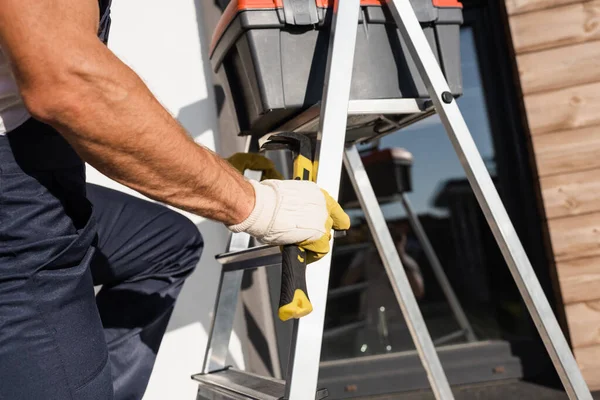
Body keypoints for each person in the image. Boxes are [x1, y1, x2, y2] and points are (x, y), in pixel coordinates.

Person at [0, 1, 350, 399]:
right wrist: (260, 206)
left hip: (30, 167)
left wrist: (202, 174)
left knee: (166, 244)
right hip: (12, 196)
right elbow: (67, 82)